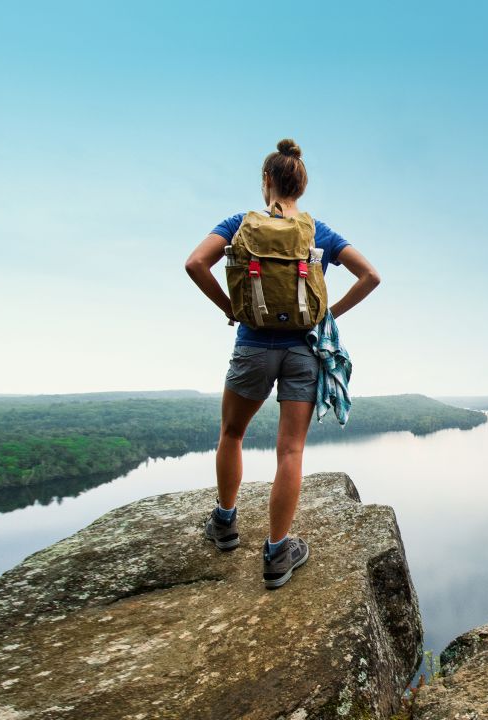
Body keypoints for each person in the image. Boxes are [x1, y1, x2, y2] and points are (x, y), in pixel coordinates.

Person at [183, 138, 381, 589]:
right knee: (289, 451)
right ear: (301, 187)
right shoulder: (318, 233)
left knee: (232, 433)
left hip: (252, 345)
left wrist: (229, 307)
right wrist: (329, 313)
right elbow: (371, 275)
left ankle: (226, 524)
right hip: (303, 351)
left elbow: (196, 263)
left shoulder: (240, 224)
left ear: (267, 181)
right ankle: (276, 554)